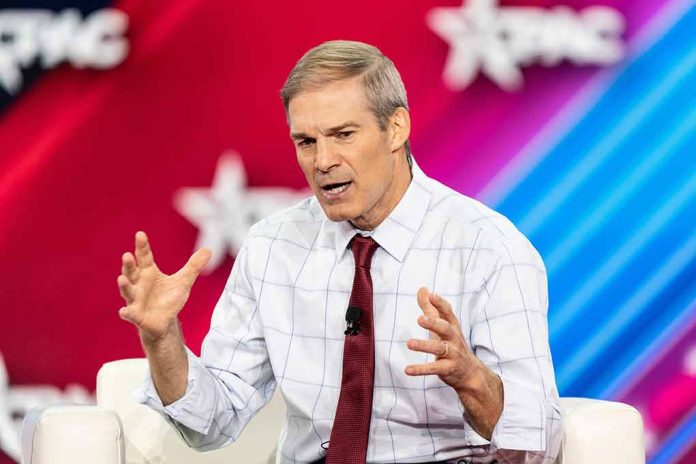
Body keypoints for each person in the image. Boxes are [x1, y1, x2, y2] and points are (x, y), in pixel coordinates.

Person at [117, 40, 562, 464]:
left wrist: (471, 379)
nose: (322, 161)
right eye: (306, 142)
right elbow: (212, 422)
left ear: (396, 128)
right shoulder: (273, 246)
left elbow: (535, 445)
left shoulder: (488, 247)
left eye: (343, 135)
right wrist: (163, 340)